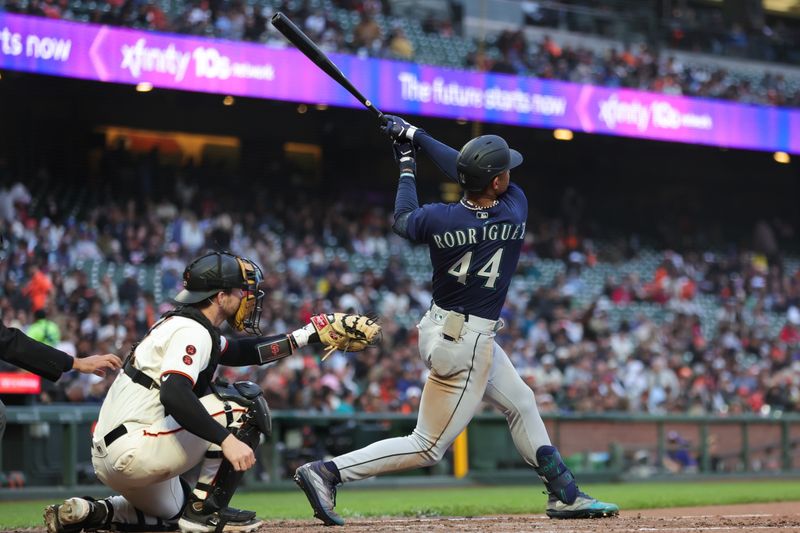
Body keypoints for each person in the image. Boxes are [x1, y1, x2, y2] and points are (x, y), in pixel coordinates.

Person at [294, 117, 619, 525]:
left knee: (521, 402)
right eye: (504, 172)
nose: (509, 175)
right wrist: (418, 138)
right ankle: (327, 472)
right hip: (467, 343)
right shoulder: (514, 208)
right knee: (427, 445)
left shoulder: (440, 217)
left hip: (441, 327)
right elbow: (462, 166)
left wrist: (408, 160)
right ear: (497, 182)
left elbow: (403, 217)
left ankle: (565, 494)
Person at [44, 251, 379, 533]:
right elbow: (174, 393)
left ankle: (95, 512)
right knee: (245, 403)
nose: (248, 298)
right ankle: (207, 510)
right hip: (136, 447)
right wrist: (225, 438)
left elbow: (243, 352)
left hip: (115, 453)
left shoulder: (182, 324)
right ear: (220, 296)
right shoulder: (192, 331)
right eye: (241, 291)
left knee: (173, 514)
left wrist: (307, 335)